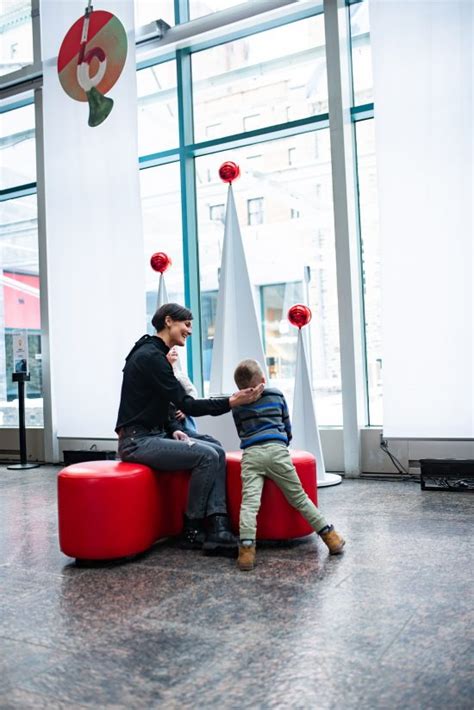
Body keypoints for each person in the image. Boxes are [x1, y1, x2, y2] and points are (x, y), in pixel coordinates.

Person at [115, 303, 264, 552]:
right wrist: (232, 401)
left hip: (155, 433)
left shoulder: (153, 353)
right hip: (136, 441)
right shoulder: (151, 357)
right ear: (169, 321)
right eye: (187, 325)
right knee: (206, 456)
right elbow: (187, 404)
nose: (190, 331)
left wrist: (173, 426)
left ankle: (218, 525)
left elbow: (161, 401)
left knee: (215, 448)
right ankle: (192, 528)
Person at [231, 358, 345, 571]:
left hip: (252, 455)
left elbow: (242, 431)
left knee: (249, 504)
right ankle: (331, 537)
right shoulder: (275, 395)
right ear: (263, 380)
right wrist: (284, 440)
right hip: (277, 451)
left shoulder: (237, 405)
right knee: (300, 498)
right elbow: (286, 425)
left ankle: (246, 552)